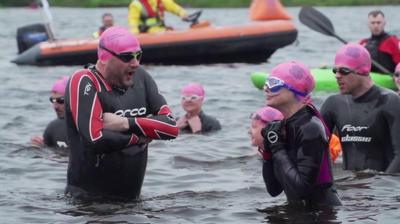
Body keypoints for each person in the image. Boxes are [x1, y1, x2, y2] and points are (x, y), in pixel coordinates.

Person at [64, 26, 179, 200]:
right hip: (88, 204)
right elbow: (95, 140)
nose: (135, 63)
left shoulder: (141, 78)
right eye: (127, 57)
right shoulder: (85, 81)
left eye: (138, 56)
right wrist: (139, 137)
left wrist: (126, 123)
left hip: (131, 202)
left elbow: (170, 127)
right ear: (103, 57)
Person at [261, 61, 341, 206]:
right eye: (266, 83)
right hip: (301, 213)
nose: (265, 88)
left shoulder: (311, 128)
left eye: (274, 83)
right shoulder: (283, 127)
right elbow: (274, 190)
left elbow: (302, 189)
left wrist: (277, 148)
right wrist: (268, 151)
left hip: (322, 215)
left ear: (295, 90)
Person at [321, 43, 400, 173]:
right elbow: (313, 150)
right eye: (335, 70)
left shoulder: (390, 101)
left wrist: (384, 187)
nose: (337, 75)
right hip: (350, 187)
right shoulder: (333, 104)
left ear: (363, 72)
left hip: (385, 189)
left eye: (344, 71)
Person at [30, 76, 69, 150]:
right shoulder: (53, 128)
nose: (55, 107)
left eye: (61, 101)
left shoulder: (89, 128)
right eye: (53, 100)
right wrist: (39, 147)